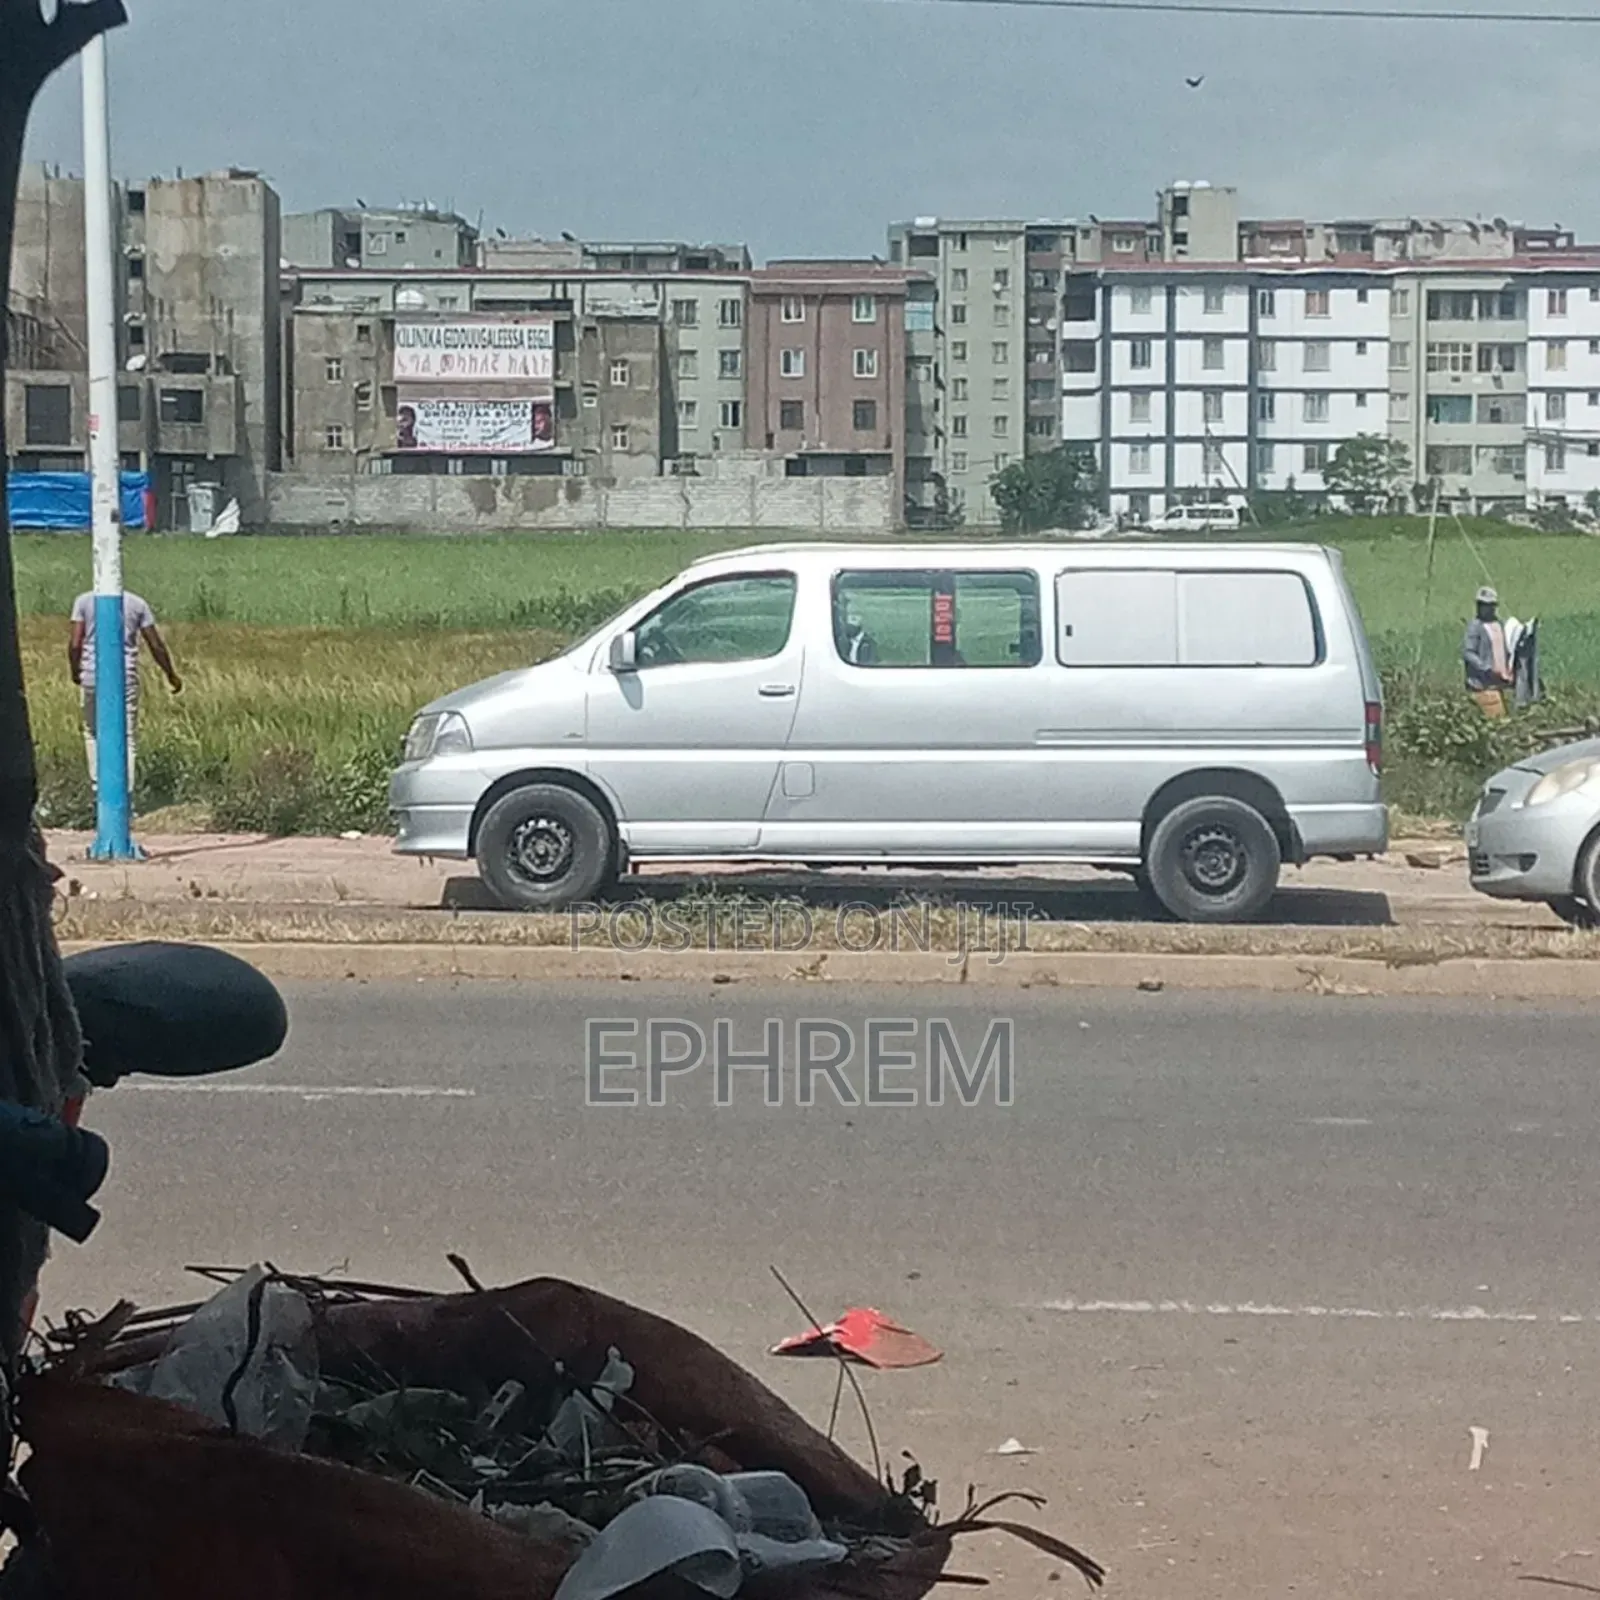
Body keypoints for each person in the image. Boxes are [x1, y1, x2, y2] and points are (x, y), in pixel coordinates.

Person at [68, 591, 183, 796]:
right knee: (127, 735)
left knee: (92, 731)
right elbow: (155, 644)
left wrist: (76, 671)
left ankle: (98, 788)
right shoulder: (137, 603)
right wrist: (171, 674)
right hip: (125, 674)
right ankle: (125, 791)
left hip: (92, 674)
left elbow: (76, 643)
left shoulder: (83, 601)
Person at [1462, 585, 1513, 719]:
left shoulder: (1499, 624)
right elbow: (1468, 653)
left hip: (1500, 683)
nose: (1486, 608)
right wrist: (1487, 668)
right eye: (1482, 605)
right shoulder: (1475, 626)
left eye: (1489, 605)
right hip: (1483, 685)